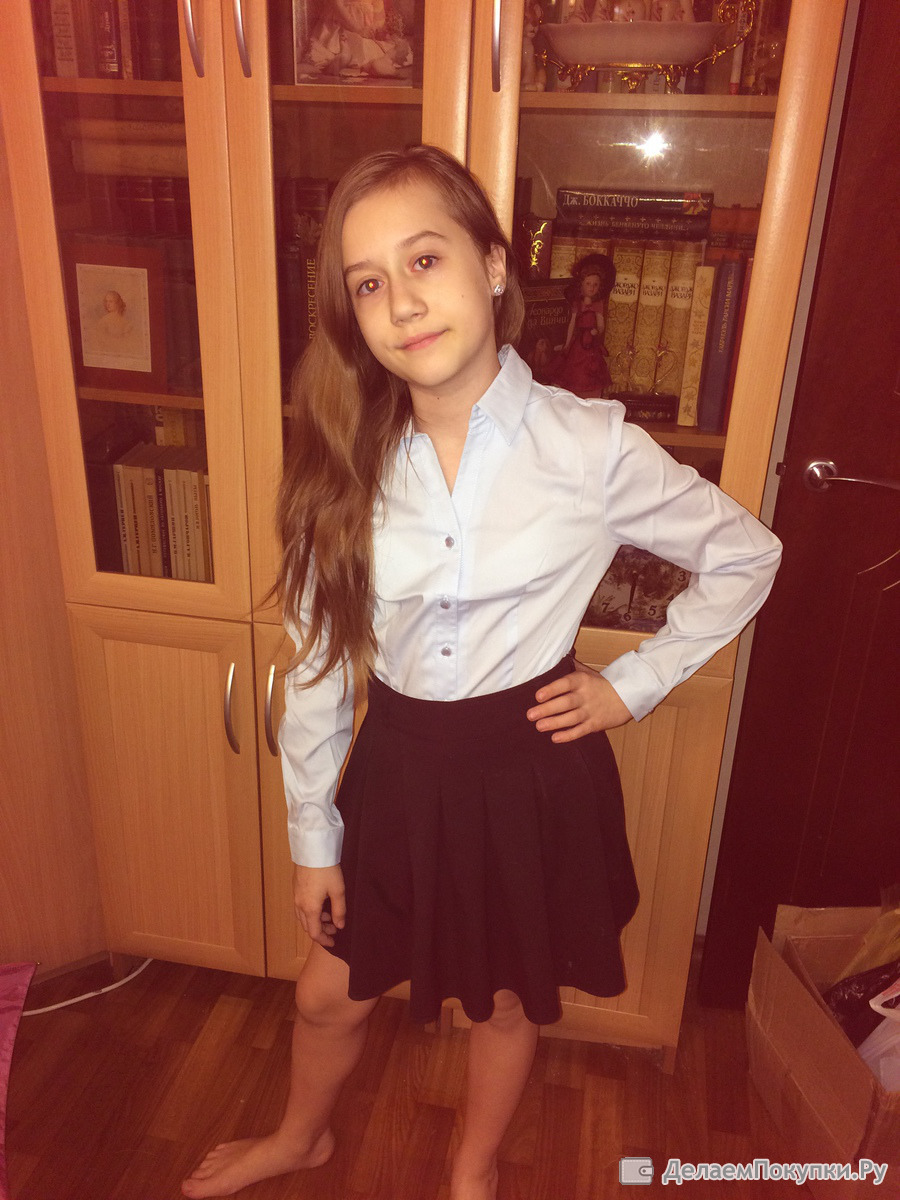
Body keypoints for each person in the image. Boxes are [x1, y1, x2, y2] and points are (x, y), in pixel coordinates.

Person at [182, 144, 781, 1200]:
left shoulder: (590, 447)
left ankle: (473, 1168)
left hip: (527, 770)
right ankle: (300, 1138)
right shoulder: (342, 459)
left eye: (425, 260)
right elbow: (318, 663)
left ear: (494, 266)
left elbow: (746, 554)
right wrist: (313, 843)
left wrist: (631, 685)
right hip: (398, 767)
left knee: (503, 1001)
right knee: (326, 993)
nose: (403, 302)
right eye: (370, 283)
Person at [550, 252, 617, 397]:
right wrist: (567, 344)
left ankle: (590, 394)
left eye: (595, 285)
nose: (591, 288)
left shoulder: (598, 304)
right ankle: (573, 393)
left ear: (600, 287)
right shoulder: (577, 304)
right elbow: (572, 324)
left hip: (591, 343)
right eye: (588, 284)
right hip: (578, 342)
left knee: (591, 368)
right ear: (581, 285)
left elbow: (601, 325)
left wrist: (597, 331)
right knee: (573, 366)